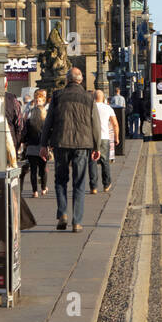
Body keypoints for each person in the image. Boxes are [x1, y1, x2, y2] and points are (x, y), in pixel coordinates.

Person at [40, 68, 102, 232]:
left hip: (61, 143)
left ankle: (62, 214)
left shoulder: (58, 96)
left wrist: (43, 145)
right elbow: (95, 124)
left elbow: (48, 121)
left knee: (60, 180)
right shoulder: (89, 97)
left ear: (67, 80)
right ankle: (77, 222)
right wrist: (97, 146)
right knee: (79, 182)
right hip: (82, 144)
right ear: (80, 80)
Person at [90, 89, 119, 194]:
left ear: (93, 97)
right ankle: (106, 185)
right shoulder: (108, 108)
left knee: (92, 162)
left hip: (91, 138)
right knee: (104, 161)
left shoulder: (90, 107)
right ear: (103, 98)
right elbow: (115, 124)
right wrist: (116, 137)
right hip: (104, 137)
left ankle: (93, 187)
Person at [22, 89, 49, 196]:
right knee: (43, 169)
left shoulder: (29, 122)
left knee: (33, 170)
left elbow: (24, 135)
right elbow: (49, 135)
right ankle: (43, 188)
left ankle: (35, 191)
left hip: (31, 148)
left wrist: (24, 144)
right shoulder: (45, 123)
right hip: (42, 147)